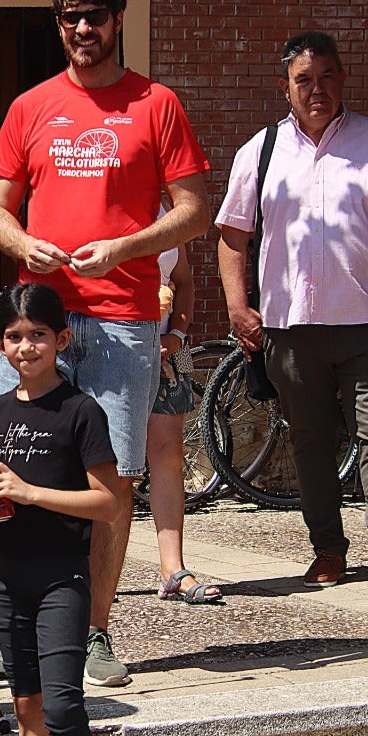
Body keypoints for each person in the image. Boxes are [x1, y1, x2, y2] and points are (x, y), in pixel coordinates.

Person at [0, 0, 210, 687]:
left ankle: (93, 632)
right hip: (36, 322)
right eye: (70, 18)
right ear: (59, 24)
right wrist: (22, 245)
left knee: (112, 481)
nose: (83, 29)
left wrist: (126, 246)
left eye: (96, 16)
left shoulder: (157, 103)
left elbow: (194, 208)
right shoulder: (31, 106)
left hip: (123, 320)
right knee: (12, 470)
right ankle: (19, 620)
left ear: (117, 21)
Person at [215, 30, 368, 595]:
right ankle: (328, 550)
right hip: (292, 330)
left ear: (343, 79)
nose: (317, 89)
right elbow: (232, 238)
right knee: (311, 441)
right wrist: (239, 308)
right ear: (284, 86)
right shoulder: (258, 152)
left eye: (328, 76)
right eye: (304, 79)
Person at [0, 283, 130, 736]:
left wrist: (32, 493)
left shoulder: (80, 411)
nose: (26, 345)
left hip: (63, 578)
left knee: (64, 707)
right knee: (27, 707)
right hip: (10, 578)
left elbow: (110, 503)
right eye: (15, 336)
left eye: (39, 334)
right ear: (1, 344)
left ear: (61, 340)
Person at [147, 248, 222, 603]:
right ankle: (90, 569)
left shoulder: (167, 214)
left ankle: (173, 569)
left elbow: (185, 282)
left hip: (167, 349)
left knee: (169, 455)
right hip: (112, 346)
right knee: (106, 460)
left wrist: (176, 333)